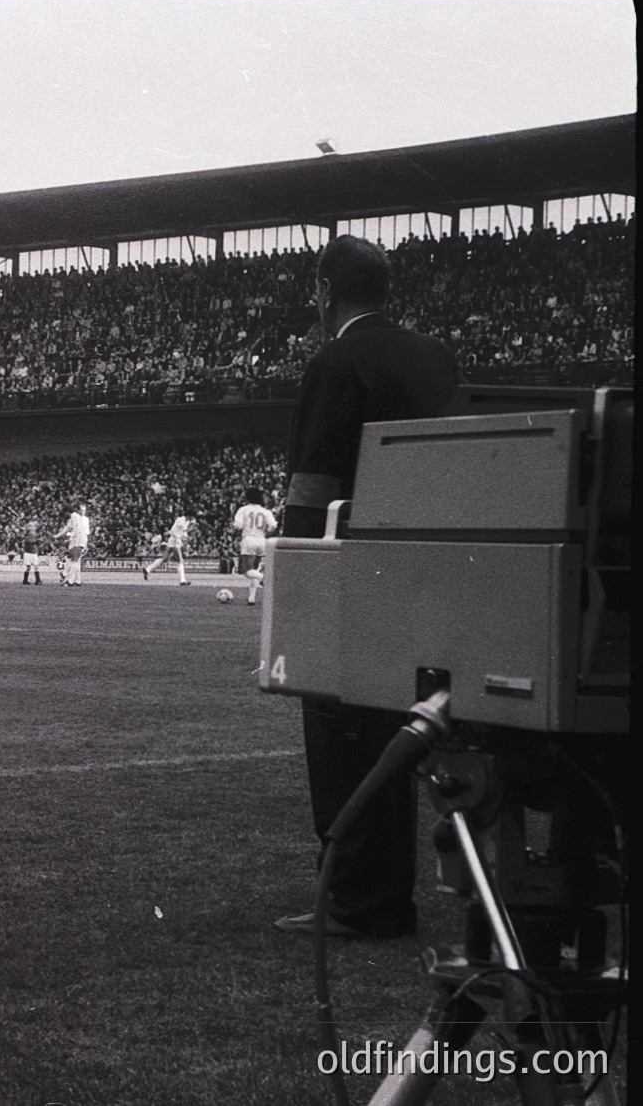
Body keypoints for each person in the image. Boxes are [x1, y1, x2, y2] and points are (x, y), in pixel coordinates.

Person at [275, 234, 459, 941]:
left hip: (355, 571)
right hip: (432, 571)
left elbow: (314, 481)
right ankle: (389, 894)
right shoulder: (434, 354)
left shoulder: (336, 359)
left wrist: (294, 573)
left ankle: (360, 901)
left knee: (341, 735)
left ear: (325, 292)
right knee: (396, 733)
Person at [231, 486, 278, 606]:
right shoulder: (265, 511)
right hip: (262, 540)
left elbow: (238, 525)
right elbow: (273, 526)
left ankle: (266, 579)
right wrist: (265, 531)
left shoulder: (243, 509)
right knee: (254, 570)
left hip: (248, 539)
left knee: (246, 570)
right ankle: (251, 598)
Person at [140, 514, 193, 585]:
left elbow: (184, 533)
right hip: (175, 540)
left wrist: (186, 537)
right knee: (180, 560)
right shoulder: (180, 520)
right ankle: (182, 580)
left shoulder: (186, 522)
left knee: (164, 559)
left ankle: (147, 569)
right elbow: (172, 532)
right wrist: (181, 537)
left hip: (174, 540)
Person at [57, 502, 92, 586]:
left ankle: (68, 578)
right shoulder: (78, 518)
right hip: (78, 540)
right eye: (81, 510)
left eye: (83, 510)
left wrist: (69, 535)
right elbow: (69, 528)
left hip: (79, 540)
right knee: (76, 561)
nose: (82, 511)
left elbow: (83, 531)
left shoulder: (80, 518)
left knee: (73, 560)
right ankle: (77, 580)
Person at [18, 521, 46, 585]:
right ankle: (28, 580)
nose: (33, 529)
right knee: (30, 567)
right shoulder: (28, 536)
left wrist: (41, 526)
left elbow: (38, 530)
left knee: (35, 566)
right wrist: (38, 540)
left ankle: (36, 580)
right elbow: (30, 542)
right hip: (30, 553)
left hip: (31, 553)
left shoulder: (33, 535)